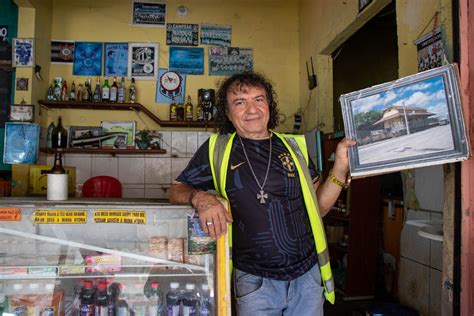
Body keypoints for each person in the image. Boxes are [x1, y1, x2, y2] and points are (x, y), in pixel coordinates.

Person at [168, 71, 354, 315]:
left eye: (259, 99)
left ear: (269, 105)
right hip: (255, 281)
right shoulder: (217, 149)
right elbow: (175, 189)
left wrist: (340, 167)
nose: (252, 109)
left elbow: (317, 207)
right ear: (227, 113)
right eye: (240, 102)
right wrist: (200, 198)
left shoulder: (293, 147)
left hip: (307, 276)